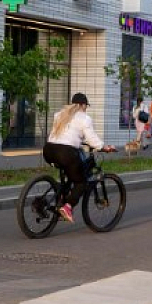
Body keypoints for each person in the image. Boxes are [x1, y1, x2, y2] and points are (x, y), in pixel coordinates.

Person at [42, 93, 116, 223]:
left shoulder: (59, 114)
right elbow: (92, 139)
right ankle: (67, 207)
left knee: (71, 171)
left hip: (49, 150)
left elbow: (64, 135)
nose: (86, 108)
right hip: (65, 153)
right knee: (81, 182)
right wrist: (104, 147)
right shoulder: (84, 118)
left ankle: (60, 197)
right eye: (86, 106)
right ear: (82, 105)